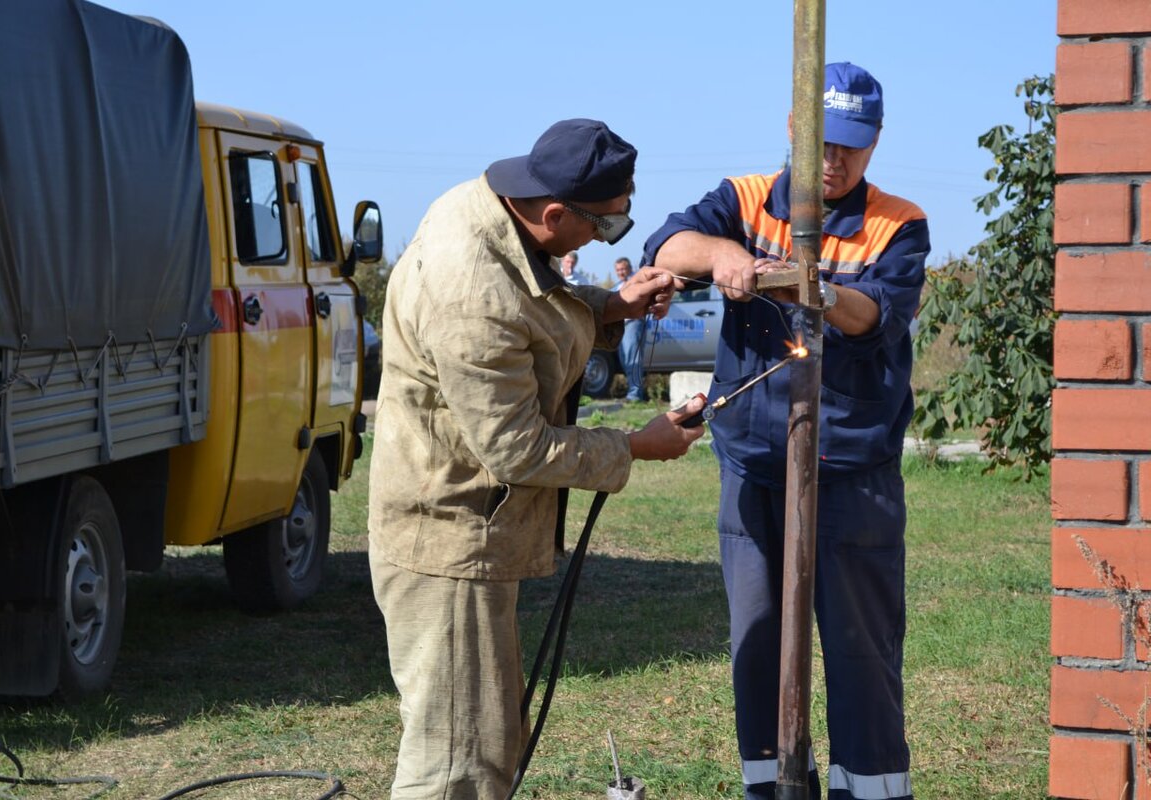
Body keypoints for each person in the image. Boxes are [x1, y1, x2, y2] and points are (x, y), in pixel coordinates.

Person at [368, 118, 706, 800]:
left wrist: (613, 306)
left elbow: (534, 301)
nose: (606, 239)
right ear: (553, 211)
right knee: (457, 766)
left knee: (483, 738)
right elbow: (516, 447)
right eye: (605, 228)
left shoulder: (485, 208)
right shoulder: (471, 294)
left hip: (468, 529)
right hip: (447, 542)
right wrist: (635, 445)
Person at [642, 62, 929, 800]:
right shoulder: (742, 200)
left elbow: (877, 316)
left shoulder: (899, 223)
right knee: (757, 640)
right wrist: (726, 257)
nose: (833, 162)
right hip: (753, 468)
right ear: (794, 129)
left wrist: (823, 292)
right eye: (822, 143)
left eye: (852, 148)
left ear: (875, 144)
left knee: (862, 653)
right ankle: (770, 786)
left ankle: (870, 789)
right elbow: (669, 246)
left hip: (851, 476)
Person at [613, 256, 647, 401]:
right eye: (618, 270)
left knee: (633, 358)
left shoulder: (637, 283)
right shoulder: (617, 286)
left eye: (623, 269)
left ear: (629, 268)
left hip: (633, 323)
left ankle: (635, 394)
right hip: (620, 325)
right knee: (625, 360)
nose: (621, 272)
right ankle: (634, 391)